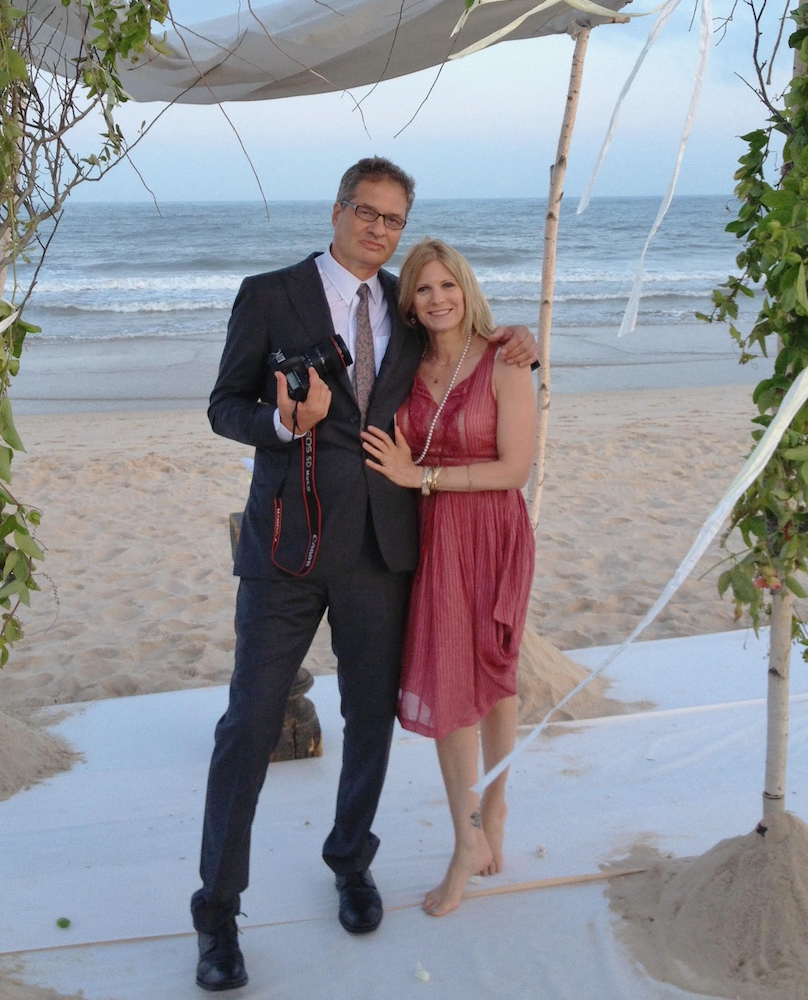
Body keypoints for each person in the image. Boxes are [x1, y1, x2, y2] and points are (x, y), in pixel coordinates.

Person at [194, 158, 537, 992]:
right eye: (367, 213)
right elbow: (223, 406)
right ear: (339, 209)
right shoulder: (269, 295)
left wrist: (517, 341)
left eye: (393, 219)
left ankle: (351, 861)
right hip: (286, 550)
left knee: (371, 722)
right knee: (249, 725)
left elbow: (463, 343)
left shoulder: (405, 305)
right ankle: (218, 916)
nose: (379, 230)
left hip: (387, 550)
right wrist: (280, 420)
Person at [361, 237, 537, 918]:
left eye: (447, 286)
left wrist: (419, 476)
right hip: (432, 538)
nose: (437, 299)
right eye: (423, 290)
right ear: (409, 303)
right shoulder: (405, 364)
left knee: (494, 676)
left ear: (466, 288)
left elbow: (514, 470)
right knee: (449, 678)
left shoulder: (504, 359)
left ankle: (494, 812)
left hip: (491, 531)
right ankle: (466, 840)